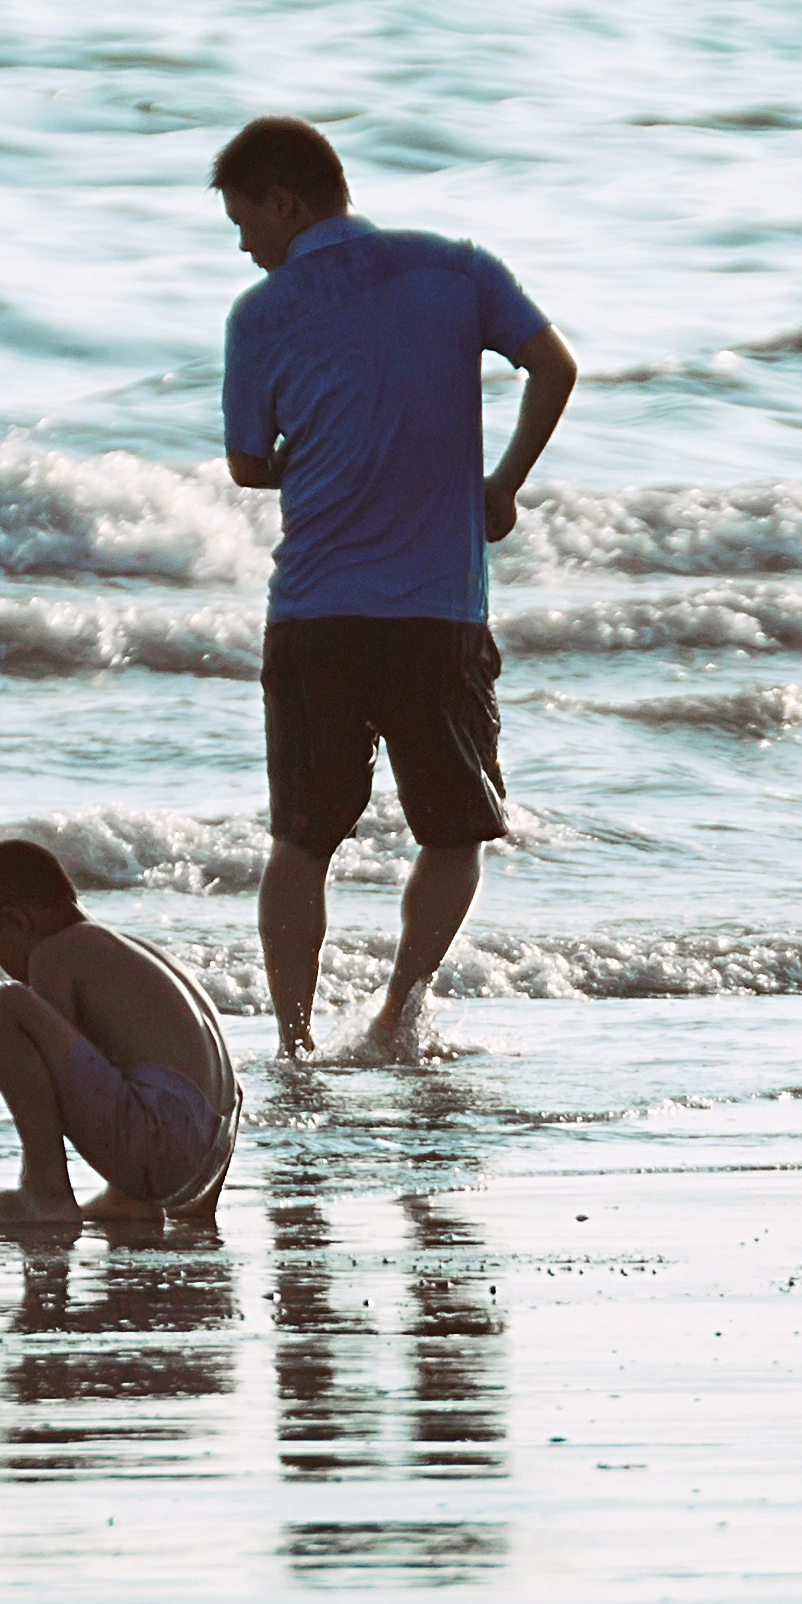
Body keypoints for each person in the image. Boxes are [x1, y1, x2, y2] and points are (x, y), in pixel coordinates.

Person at [211, 112, 576, 1057]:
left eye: (245, 221)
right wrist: (501, 485)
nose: (246, 246)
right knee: (453, 833)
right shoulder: (457, 269)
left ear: (285, 202)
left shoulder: (262, 313)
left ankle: (294, 1043)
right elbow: (554, 366)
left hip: (316, 613)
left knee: (302, 839)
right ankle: (396, 1014)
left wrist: (327, 452)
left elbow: (247, 464)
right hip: (436, 611)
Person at [0, 837, 242, 1234]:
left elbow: (52, 1075)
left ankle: (45, 1193)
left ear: (18, 923)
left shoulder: (53, 953)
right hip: (212, 1154)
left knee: (3, 1007)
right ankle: (128, 1200)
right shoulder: (133, 952)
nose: (3, 968)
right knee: (129, 1063)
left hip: (162, 1146)